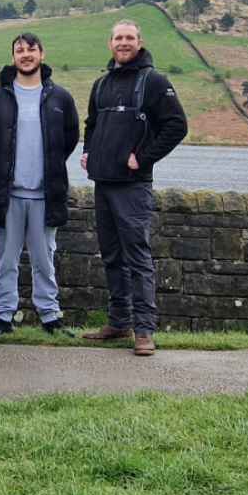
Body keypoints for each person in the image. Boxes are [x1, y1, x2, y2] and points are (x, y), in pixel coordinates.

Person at [80, 18, 187, 356]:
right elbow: (92, 123)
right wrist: (87, 150)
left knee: (137, 258)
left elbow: (176, 126)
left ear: (139, 43)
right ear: (109, 43)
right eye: (118, 38)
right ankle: (118, 321)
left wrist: (143, 158)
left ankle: (143, 331)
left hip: (133, 186)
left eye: (129, 38)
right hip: (103, 182)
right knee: (112, 255)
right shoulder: (101, 84)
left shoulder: (153, 82)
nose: (123, 43)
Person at [0, 33, 80, 334]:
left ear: (42, 54)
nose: (26, 55)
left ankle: (50, 317)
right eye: (19, 50)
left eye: (31, 50)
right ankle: (3, 317)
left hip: (45, 194)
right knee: (5, 260)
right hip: (5, 194)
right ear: (13, 56)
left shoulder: (60, 97)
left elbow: (70, 138)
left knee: (44, 259)